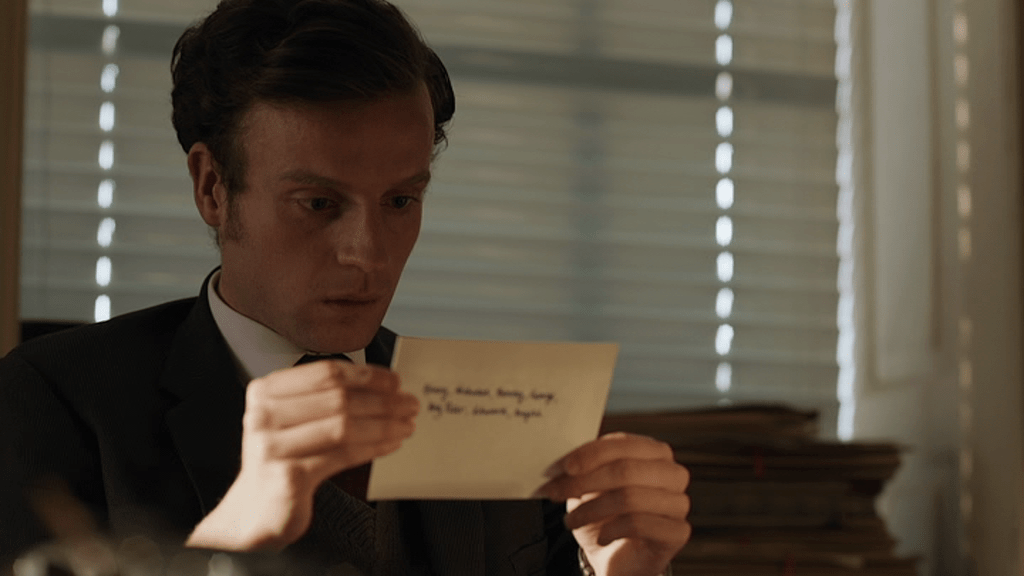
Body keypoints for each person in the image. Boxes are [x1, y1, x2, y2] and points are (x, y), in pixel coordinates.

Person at [0, 0, 692, 574]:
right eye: (319, 203)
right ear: (212, 188)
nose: (368, 254)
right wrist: (237, 536)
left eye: (400, 201)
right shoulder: (53, 401)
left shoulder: (497, 422)